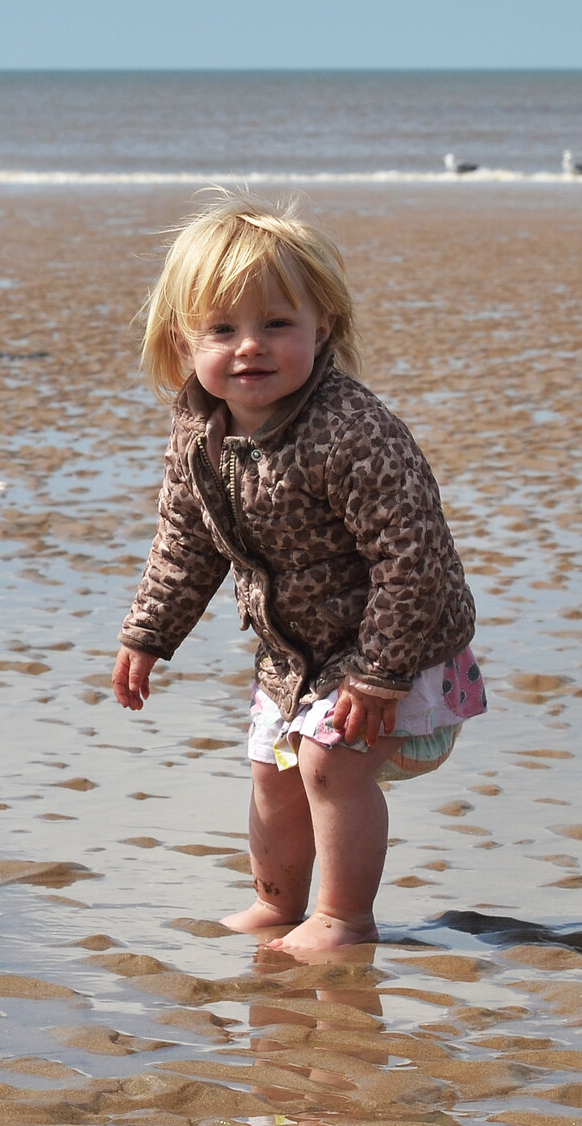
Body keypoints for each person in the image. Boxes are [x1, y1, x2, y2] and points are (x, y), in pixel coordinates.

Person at [114, 192, 486, 951]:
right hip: (294, 656)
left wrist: (379, 673)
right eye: (223, 328)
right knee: (271, 773)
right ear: (184, 343)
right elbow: (186, 539)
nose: (249, 346)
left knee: (328, 766)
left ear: (325, 329)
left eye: (276, 324)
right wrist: (149, 631)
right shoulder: (199, 431)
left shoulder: (351, 430)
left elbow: (412, 555)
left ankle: (344, 917)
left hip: (395, 644)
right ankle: (278, 905)